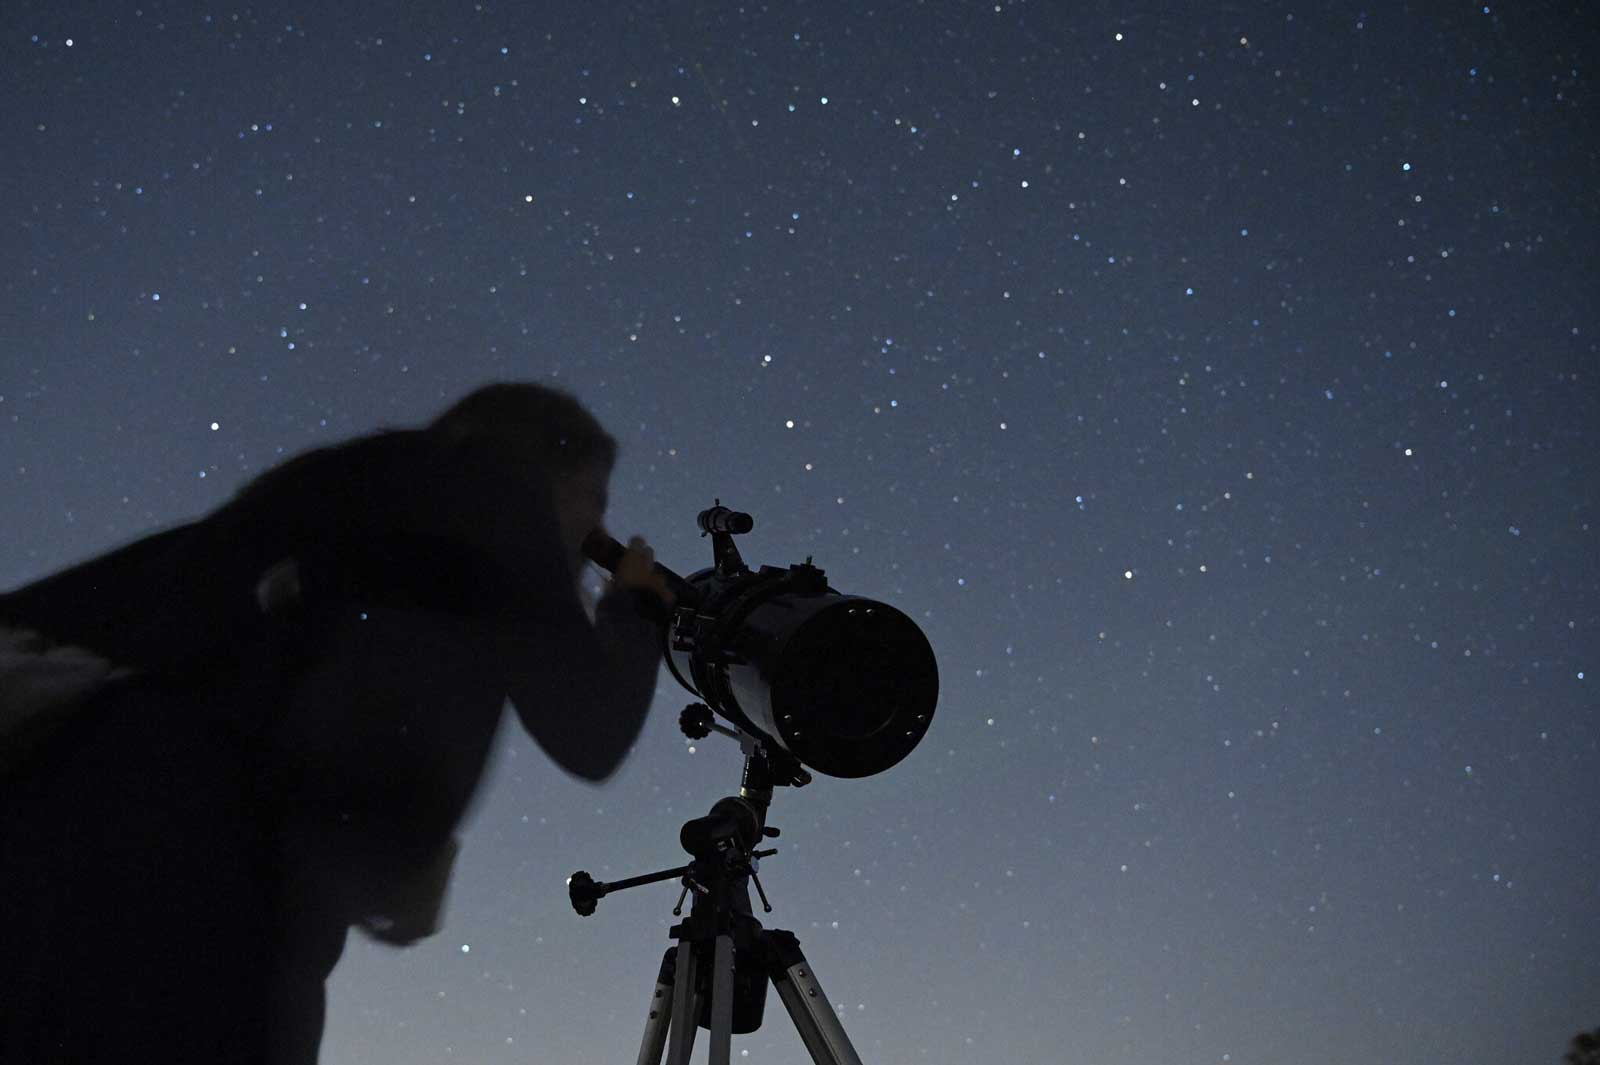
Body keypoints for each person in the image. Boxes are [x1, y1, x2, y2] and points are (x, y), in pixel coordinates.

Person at [0, 382, 675, 1063]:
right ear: (548, 462)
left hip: (67, 816)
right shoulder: (499, 491)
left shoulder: (358, 478)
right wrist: (634, 610)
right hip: (211, 886)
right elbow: (590, 731)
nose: (597, 528)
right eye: (595, 497)